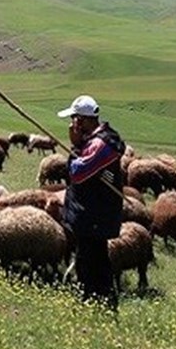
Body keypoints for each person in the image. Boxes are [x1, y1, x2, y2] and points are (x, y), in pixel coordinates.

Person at [57, 94, 125, 310]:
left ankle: (95, 303)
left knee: (91, 261)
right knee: (90, 258)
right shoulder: (96, 141)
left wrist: (75, 146)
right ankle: (97, 301)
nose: (72, 124)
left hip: (94, 214)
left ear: (83, 120)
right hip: (91, 213)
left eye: (75, 119)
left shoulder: (101, 144)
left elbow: (78, 173)